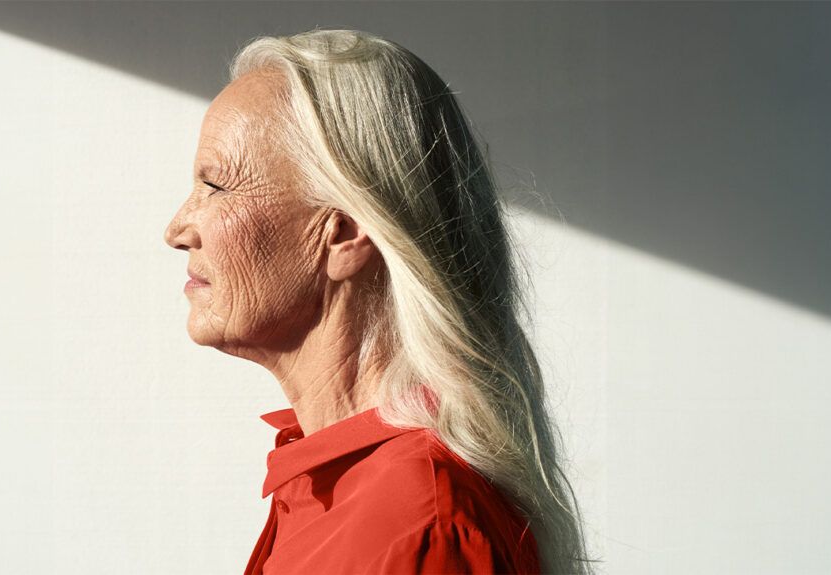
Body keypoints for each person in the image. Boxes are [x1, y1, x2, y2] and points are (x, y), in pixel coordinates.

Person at [164, 28, 596, 575]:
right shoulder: (340, 489)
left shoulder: (419, 531)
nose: (177, 228)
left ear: (343, 233)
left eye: (216, 187)